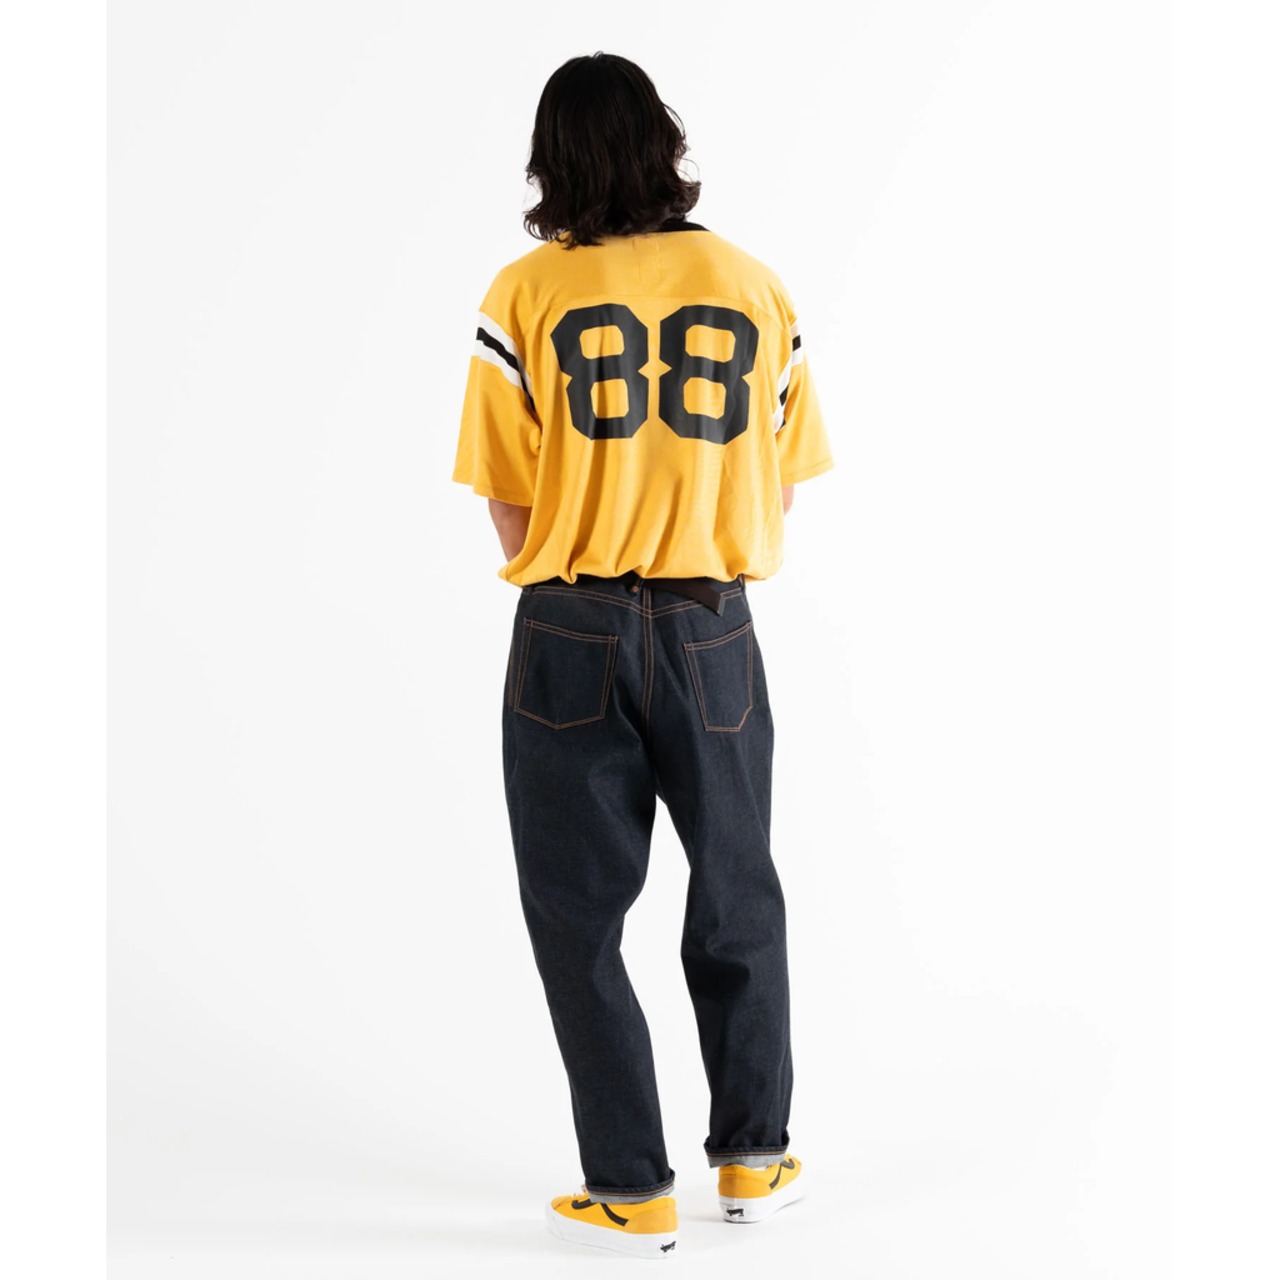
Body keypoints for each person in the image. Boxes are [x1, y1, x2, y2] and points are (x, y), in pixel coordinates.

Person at [451, 51, 834, 1259]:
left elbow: (507, 499)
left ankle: (629, 1185)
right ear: (665, 143)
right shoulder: (752, 286)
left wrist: (577, 569)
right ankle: (754, 1158)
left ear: (549, 160)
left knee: (577, 916)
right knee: (736, 892)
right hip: (710, 620)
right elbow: (779, 483)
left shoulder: (523, 294)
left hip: (569, 625)